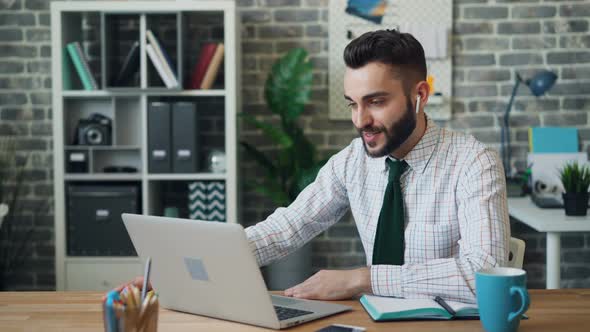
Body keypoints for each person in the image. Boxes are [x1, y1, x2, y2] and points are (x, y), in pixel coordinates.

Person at [122, 29, 509, 304]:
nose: (360, 120)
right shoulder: (351, 163)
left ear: (419, 95)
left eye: (375, 101)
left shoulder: (473, 163)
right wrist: (184, 265)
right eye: (352, 104)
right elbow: (287, 228)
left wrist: (362, 279)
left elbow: (487, 275)